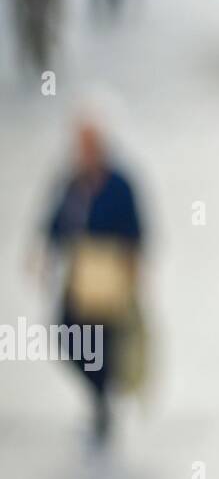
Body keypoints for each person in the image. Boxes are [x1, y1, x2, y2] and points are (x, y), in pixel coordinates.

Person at [39, 107, 147, 446]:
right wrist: (43, 257)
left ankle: (103, 401)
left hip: (108, 276)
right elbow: (54, 223)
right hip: (78, 276)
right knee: (68, 334)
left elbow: (136, 232)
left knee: (104, 341)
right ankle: (99, 395)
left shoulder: (119, 184)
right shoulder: (71, 181)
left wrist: (134, 274)